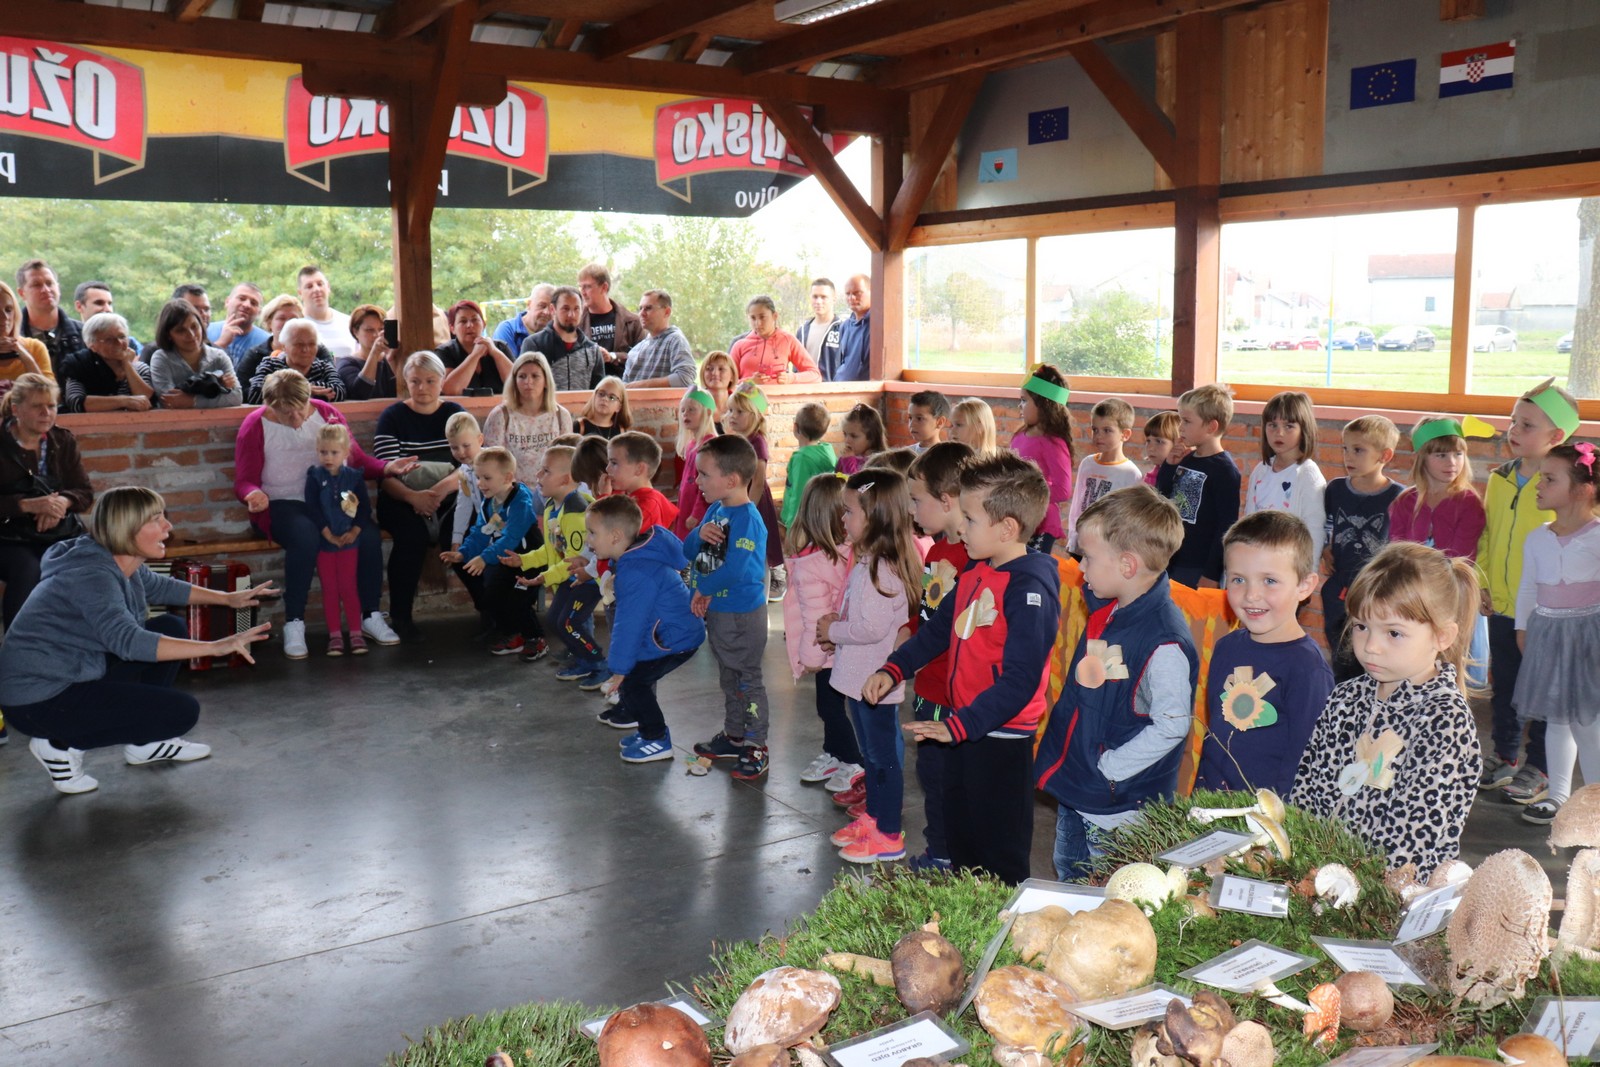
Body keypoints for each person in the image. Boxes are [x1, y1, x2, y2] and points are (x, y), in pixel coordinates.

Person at [0, 486, 275, 795]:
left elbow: (163, 588)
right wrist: (215, 646)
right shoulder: (92, 575)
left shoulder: (117, 559)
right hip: (37, 699)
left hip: (71, 671)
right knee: (180, 712)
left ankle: (144, 745)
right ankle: (57, 743)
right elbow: (129, 642)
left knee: (170, 625)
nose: (168, 527)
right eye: (157, 519)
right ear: (126, 529)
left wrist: (229, 599)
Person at [872, 453, 1061, 883]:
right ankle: (963, 906)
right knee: (961, 833)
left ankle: (999, 927)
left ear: (1007, 528)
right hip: (963, 726)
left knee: (999, 848)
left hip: (1000, 738)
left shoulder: (1030, 588)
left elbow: (1020, 680)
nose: (961, 527)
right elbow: (938, 632)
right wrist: (895, 668)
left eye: (970, 519)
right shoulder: (977, 570)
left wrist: (958, 727)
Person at [1291, 542, 1482, 880]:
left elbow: (1413, 844)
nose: (1371, 646)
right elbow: (1308, 791)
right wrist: (1299, 860)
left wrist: (1356, 887)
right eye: (1362, 626)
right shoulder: (1346, 697)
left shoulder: (1444, 720)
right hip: (1318, 879)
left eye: (1394, 632)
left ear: (1442, 637)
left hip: (1388, 899)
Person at [1034, 484, 1195, 882]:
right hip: (1082, 789)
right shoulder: (1113, 609)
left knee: (1108, 896)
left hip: (1116, 807)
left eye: (1087, 557)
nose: (1081, 568)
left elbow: (1173, 724)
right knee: (1070, 874)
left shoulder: (1164, 640)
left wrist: (1109, 768)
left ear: (1127, 565)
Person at [235, 369, 408, 657]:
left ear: (310, 398)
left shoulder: (328, 415)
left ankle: (370, 615)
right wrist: (253, 494)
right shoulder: (255, 425)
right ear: (269, 405)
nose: (294, 420)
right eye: (284, 413)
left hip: (332, 499)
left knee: (367, 536)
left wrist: (388, 467)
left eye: (298, 410)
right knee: (305, 535)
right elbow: (244, 479)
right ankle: (294, 621)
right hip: (283, 503)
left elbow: (356, 459)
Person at [812, 470, 921, 865]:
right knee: (872, 756)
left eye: (849, 512)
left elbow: (870, 628)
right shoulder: (870, 561)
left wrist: (833, 629)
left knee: (882, 759)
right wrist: (836, 625)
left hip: (874, 683)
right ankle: (874, 818)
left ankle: (889, 833)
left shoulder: (882, 569)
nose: (843, 519)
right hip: (861, 681)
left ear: (874, 517)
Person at [1479, 379, 1578, 806]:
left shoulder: (1566, 485)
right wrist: (1482, 582)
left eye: (1527, 424)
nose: (1513, 430)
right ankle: (1505, 754)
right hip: (1502, 605)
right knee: (1507, 686)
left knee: (1544, 693)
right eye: (1513, 421)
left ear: (1556, 437)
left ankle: (1540, 766)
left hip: (1546, 612)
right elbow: (1488, 537)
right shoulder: (1500, 479)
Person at [1193, 511, 1333, 795]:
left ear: (1304, 586)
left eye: (1269, 580)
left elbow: (1307, 765)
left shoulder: (1308, 669)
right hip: (1209, 810)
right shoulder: (1226, 648)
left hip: (1265, 823)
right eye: (1238, 580)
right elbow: (1216, 736)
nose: (1251, 595)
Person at [897, 441, 976, 872]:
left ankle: (947, 853)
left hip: (953, 690)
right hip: (928, 683)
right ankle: (940, 846)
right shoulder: (938, 550)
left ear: (947, 501)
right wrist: (911, 625)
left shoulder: (970, 555)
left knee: (947, 780)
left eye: (916, 500)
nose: (912, 510)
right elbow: (931, 604)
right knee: (931, 776)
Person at [1515, 442, 1600, 825]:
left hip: (1587, 639)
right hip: (1547, 634)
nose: (1539, 484)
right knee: (1556, 719)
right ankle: (1561, 795)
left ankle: (1593, 802)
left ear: (1583, 488)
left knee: (1588, 722)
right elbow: (1528, 588)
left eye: (1550, 478)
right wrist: (1522, 626)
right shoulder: (1537, 537)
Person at [587, 494, 705, 764]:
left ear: (616, 536)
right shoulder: (635, 557)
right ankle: (647, 731)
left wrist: (618, 669)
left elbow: (629, 624)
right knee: (635, 680)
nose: (588, 540)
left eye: (593, 533)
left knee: (634, 683)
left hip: (676, 638)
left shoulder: (635, 570)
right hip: (669, 632)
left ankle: (657, 739)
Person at [684, 434, 772, 779]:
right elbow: (690, 551)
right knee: (728, 676)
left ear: (731, 480)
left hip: (741, 614)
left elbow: (735, 569)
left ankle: (756, 744)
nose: (697, 480)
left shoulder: (747, 518)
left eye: (704, 474)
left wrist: (702, 590)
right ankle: (735, 735)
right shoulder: (715, 510)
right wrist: (699, 534)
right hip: (719, 611)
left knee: (747, 679)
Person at [373, 352, 467, 643]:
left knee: (463, 534)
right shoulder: (393, 416)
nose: (423, 387)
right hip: (402, 498)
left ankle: (489, 609)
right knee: (411, 535)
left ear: (441, 381)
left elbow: (470, 464)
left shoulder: (455, 412)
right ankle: (401, 617)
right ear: (406, 383)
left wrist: (438, 492)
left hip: (450, 496)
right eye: (415, 381)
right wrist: (414, 498)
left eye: (430, 381)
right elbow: (386, 474)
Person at [1388, 416, 1489, 687]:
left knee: (1449, 668)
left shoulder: (1468, 503)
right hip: (1412, 594)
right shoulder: (1405, 501)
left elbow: (1461, 556)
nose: (1452, 462)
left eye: (1458, 454)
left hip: (1452, 597)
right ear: (1422, 457)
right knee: (1413, 667)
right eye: (1441, 455)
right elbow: (1397, 550)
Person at [783, 474, 862, 789]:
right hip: (845, 646)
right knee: (836, 706)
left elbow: (815, 615)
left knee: (828, 707)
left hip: (825, 652)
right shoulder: (847, 552)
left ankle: (853, 759)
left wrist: (810, 658)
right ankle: (834, 753)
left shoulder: (811, 565)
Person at [0, 373, 94, 626]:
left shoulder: (62, 440)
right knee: (28, 568)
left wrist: (61, 503)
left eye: (51, 406)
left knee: (94, 560)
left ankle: (88, 648)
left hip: (56, 532)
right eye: (37, 406)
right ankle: (18, 650)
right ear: (16, 409)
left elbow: (84, 493)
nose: (46, 413)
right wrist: (25, 505)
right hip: (8, 537)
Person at [1322, 415, 1403, 680]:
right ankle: (1343, 701)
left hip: (1374, 592)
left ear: (1385, 455)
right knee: (1341, 653)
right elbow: (1328, 523)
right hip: (1339, 589)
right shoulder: (1335, 489)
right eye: (1345, 448)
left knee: (1371, 655)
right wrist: (1325, 547)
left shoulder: (1398, 497)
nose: (1349, 457)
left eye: (1358, 450)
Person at [442, 447, 543, 659]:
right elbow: (479, 532)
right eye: (478, 477)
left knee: (519, 601)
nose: (480, 483)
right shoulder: (490, 502)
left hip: (529, 561)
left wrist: (484, 558)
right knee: (492, 598)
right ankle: (513, 635)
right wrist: (463, 553)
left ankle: (535, 639)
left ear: (507, 477)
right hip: (505, 560)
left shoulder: (521, 501)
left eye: (486, 478)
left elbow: (511, 538)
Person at [509, 445, 596, 679]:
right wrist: (523, 560)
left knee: (574, 623)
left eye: (545, 471)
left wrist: (542, 578)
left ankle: (592, 662)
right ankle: (577, 651)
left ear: (565, 479)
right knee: (558, 620)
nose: (538, 476)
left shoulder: (576, 513)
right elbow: (550, 550)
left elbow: (574, 562)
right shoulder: (551, 507)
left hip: (583, 581)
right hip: (564, 579)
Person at [1157, 383, 1241, 587]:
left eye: (1186, 421)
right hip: (1171, 557)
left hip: (1197, 565)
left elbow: (1226, 526)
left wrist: (1211, 573)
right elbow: (1161, 498)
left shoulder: (1225, 471)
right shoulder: (1186, 459)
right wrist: (1169, 466)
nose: (1180, 427)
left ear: (1211, 427)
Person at [304, 423, 373, 657]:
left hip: (348, 542)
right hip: (325, 543)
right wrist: (327, 534)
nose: (328, 457)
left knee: (348, 586)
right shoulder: (314, 477)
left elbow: (364, 509)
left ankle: (355, 632)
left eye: (334, 452)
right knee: (330, 589)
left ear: (346, 453)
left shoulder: (353, 478)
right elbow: (312, 508)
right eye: (323, 452)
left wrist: (354, 531)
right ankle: (334, 635)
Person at [1245, 391, 1328, 559]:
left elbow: (1315, 531)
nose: (1279, 433)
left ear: (1304, 429)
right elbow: (1248, 520)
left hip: (1289, 566)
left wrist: (1306, 574)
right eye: (1272, 425)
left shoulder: (1308, 475)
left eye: (1289, 426)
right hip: (1258, 560)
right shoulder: (1261, 470)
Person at [484, 352, 575, 493]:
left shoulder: (561, 415)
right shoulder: (500, 415)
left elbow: (567, 461)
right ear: (514, 381)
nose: (528, 382)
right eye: (522, 376)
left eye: (535, 376)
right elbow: (493, 464)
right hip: (513, 493)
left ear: (546, 381)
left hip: (553, 493)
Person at [723, 383, 784, 589]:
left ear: (755, 415)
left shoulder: (757, 442)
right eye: (731, 410)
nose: (732, 415)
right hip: (739, 500)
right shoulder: (738, 439)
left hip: (753, 503)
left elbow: (757, 481)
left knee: (759, 549)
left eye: (740, 411)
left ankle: (762, 596)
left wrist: (747, 508)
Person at [1009, 366, 1075, 554]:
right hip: (1018, 516)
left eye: (1024, 401)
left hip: (1041, 523)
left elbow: (1063, 490)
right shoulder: (1019, 435)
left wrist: (1030, 494)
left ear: (1044, 404)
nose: (1019, 406)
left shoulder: (1053, 443)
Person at [1066, 398, 1143, 554]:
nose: (1099, 436)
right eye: (1095, 430)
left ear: (1125, 434)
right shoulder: (1087, 463)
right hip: (1081, 541)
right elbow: (1077, 504)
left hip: (1108, 547)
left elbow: (1128, 518)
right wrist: (1072, 536)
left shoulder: (1130, 473)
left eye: (1107, 430)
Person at [147, 298, 242, 409]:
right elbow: (168, 400)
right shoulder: (161, 358)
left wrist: (193, 401)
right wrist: (218, 389)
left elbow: (237, 397)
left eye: (194, 326)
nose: (191, 335)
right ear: (168, 335)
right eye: (180, 330)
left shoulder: (219, 357)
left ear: (201, 325)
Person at [61, 312, 156, 412]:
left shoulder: (139, 368)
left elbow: (147, 400)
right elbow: (76, 403)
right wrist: (124, 401)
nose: (119, 342)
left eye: (122, 336)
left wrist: (126, 364)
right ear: (92, 345)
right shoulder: (80, 365)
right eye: (109, 340)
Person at [522, 285, 607, 392]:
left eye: (576, 309)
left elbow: (599, 393)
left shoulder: (592, 350)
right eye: (565, 309)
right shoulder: (534, 344)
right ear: (553, 309)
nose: (571, 315)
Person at [247, 318, 345, 404]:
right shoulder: (271, 365)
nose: (306, 349)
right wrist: (303, 389)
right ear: (284, 346)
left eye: (311, 344)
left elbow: (340, 391)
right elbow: (255, 395)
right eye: (299, 344)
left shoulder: (324, 367)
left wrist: (285, 391)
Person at [730, 295, 821, 385]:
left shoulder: (788, 340)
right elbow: (728, 382)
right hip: (746, 399)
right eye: (753, 318)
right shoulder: (739, 345)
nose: (757, 323)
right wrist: (750, 382)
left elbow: (815, 375)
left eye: (762, 317)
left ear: (775, 316)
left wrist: (791, 378)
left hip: (779, 399)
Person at [16, 259, 85, 375]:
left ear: (58, 287)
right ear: (22, 293)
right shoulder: (12, 337)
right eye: (36, 285)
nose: (46, 290)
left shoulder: (84, 334)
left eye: (49, 283)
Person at [577, 262, 644, 375]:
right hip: (588, 389)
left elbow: (644, 357)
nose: (583, 292)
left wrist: (612, 356)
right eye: (580, 287)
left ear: (604, 287)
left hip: (623, 387)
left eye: (587, 287)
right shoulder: (575, 323)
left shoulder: (632, 322)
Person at [606, 431, 678, 533]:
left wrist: (604, 498)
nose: (607, 468)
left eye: (614, 463)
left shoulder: (647, 507)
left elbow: (613, 538)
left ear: (639, 469)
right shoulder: (626, 493)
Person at [438, 299, 514, 396]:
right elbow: (450, 390)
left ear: (484, 324)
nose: (470, 325)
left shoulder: (500, 347)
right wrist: (475, 355)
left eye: (475, 320)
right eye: (463, 321)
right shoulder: (445, 352)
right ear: (452, 329)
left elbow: (517, 385)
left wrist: (495, 352)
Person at [781, 402, 838, 530]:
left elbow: (799, 495)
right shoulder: (827, 451)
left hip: (803, 526)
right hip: (821, 520)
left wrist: (792, 529)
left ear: (795, 427)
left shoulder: (802, 459)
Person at [623, 289, 696, 389]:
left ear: (667, 312)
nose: (641, 313)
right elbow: (624, 390)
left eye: (648, 308)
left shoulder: (675, 341)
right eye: (640, 308)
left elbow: (685, 377)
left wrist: (639, 386)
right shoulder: (634, 351)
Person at [672, 388, 717, 538]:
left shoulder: (709, 444)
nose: (685, 414)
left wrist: (697, 514)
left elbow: (707, 484)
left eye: (692, 410)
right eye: (683, 410)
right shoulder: (691, 444)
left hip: (698, 509)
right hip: (686, 504)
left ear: (708, 413)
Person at [0, 279, 55, 403]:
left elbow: (51, 397)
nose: (4, 318)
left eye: (8, 310)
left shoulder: (34, 347)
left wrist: (23, 354)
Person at [237, 295, 307, 387]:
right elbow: (242, 391)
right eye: (281, 318)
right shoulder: (255, 355)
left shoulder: (316, 350)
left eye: (293, 319)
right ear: (269, 323)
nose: (288, 323)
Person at [339, 304, 402, 400]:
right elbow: (360, 393)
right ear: (355, 332)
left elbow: (404, 388)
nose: (376, 335)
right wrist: (374, 353)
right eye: (369, 330)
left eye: (381, 329)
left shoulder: (391, 359)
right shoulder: (347, 364)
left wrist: (391, 358)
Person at [297, 265, 354, 360]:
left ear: (328, 287)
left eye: (320, 284)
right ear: (300, 293)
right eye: (309, 286)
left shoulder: (348, 322)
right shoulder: (295, 326)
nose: (316, 289)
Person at [207, 283, 269, 367]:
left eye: (253, 303)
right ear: (227, 302)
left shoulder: (267, 342)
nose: (247, 305)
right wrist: (221, 343)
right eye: (242, 298)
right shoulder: (205, 331)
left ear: (259, 312)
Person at [493, 282, 555, 356]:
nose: (546, 312)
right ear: (529, 304)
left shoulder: (557, 335)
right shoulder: (508, 330)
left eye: (552, 309)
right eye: (542, 306)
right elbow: (507, 366)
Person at [829, 274, 872, 382]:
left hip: (868, 394)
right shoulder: (845, 326)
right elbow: (842, 363)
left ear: (872, 292)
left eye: (857, 293)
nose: (851, 298)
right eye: (848, 294)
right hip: (842, 391)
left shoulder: (879, 325)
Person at [795, 277, 840, 365]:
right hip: (805, 379)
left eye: (824, 297)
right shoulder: (802, 331)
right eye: (815, 297)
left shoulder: (843, 329)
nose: (818, 301)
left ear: (834, 299)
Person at [836, 402, 886, 476]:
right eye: (845, 434)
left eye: (854, 436)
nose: (847, 440)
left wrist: (848, 461)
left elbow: (857, 484)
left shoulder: (878, 463)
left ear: (871, 437)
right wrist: (841, 462)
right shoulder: (850, 456)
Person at [1142, 410, 1186, 486]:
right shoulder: (1152, 475)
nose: (1151, 448)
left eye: (1159, 441)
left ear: (1179, 443)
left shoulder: (1183, 477)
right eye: (1148, 441)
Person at [699, 350, 736, 429]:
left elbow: (765, 409)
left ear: (732, 376)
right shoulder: (696, 402)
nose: (715, 373)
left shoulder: (739, 401)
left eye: (721, 369)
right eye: (709, 369)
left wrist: (748, 387)